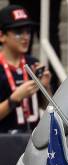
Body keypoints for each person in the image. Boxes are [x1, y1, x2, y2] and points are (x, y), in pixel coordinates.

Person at [0, 4, 51, 133]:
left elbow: (49, 108)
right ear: (2, 36)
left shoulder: (33, 64)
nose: (25, 37)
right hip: (5, 143)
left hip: (32, 142)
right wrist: (14, 99)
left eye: (28, 32)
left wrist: (45, 87)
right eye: (18, 32)